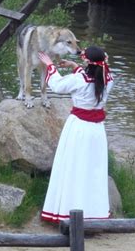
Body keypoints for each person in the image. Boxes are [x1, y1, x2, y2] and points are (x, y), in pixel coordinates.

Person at [38, 46, 114, 222]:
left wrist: (50, 66)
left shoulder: (79, 80)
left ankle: (67, 213)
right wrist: (74, 66)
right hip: (97, 131)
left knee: (73, 168)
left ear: (87, 62)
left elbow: (57, 85)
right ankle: (94, 213)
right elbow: (93, 80)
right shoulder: (109, 78)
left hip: (78, 129)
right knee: (92, 170)